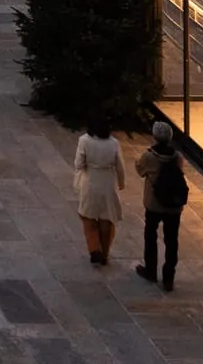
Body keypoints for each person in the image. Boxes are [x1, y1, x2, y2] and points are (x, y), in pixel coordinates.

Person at [136, 120, 189, 289]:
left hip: (154, 204)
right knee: (172, 240)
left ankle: (151, 271)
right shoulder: (177, 156)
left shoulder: (149, 156)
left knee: (150, 236)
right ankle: (169, 276)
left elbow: (139, 170)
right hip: (174, 206)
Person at [74, 114, 125, 266]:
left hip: (90, 181)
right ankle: (105, 253)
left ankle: (94, 248)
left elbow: (79, 163)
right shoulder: (114, 143)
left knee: (88, 216)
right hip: (108, 182)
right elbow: (120, 166)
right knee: (107, 218)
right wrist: (121, 183)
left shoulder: (84, 141)